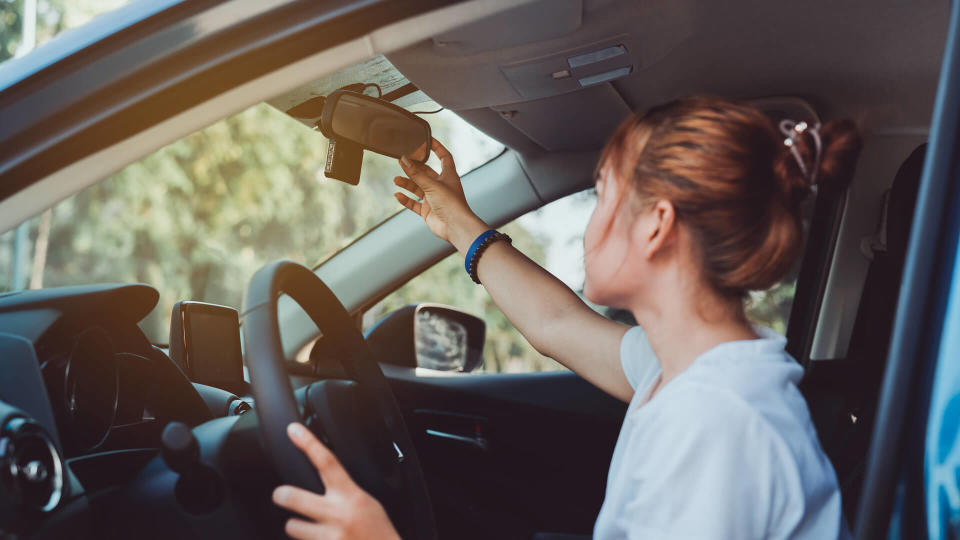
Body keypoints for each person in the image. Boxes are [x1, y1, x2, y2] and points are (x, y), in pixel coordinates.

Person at [271, 96, 861, 539]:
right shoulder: (685, 368)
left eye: (601, 194)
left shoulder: (717, 425)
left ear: (656, 225)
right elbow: (556, 324)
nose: (591, 221)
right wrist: (456, 222)